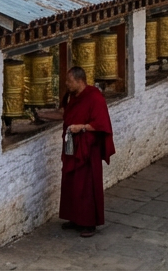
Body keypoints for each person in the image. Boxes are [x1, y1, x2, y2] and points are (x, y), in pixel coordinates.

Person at [33, 66, 115, 237]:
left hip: (87, 149)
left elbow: (102, 125)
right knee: (71, 183)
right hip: (72, 145)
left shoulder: (94, 97)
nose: (66, 84)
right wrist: (42, 114)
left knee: (86, 186)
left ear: (79, 81)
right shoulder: (72, 96)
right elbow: (66, 114)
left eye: (69, 82)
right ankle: (74, 218)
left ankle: (89, 223)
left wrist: (82, 127)